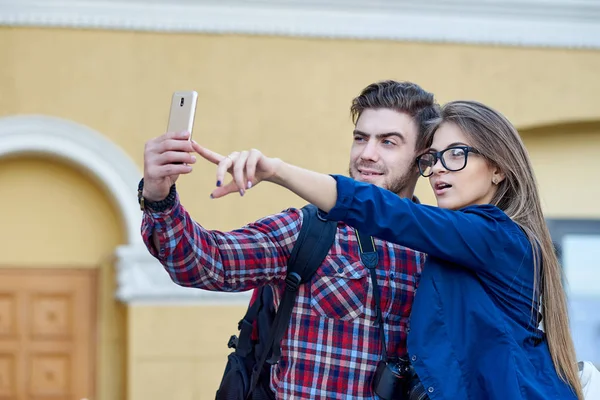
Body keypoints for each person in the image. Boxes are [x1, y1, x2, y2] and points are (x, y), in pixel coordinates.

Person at [199, 100, 584, 399]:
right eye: (433, 159)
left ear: (498, 169)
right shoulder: (459, 242)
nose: (438, 171)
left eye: (457, 155)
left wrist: (277, 171)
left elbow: (391, 214)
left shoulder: (499, 238)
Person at [138, 80, 441, 399]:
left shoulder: (441, 246)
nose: (366, 154)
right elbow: (206, 263)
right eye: (360, 138)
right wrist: (158, 197)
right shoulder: (309, 230)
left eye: (388, 142)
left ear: (424, 159)